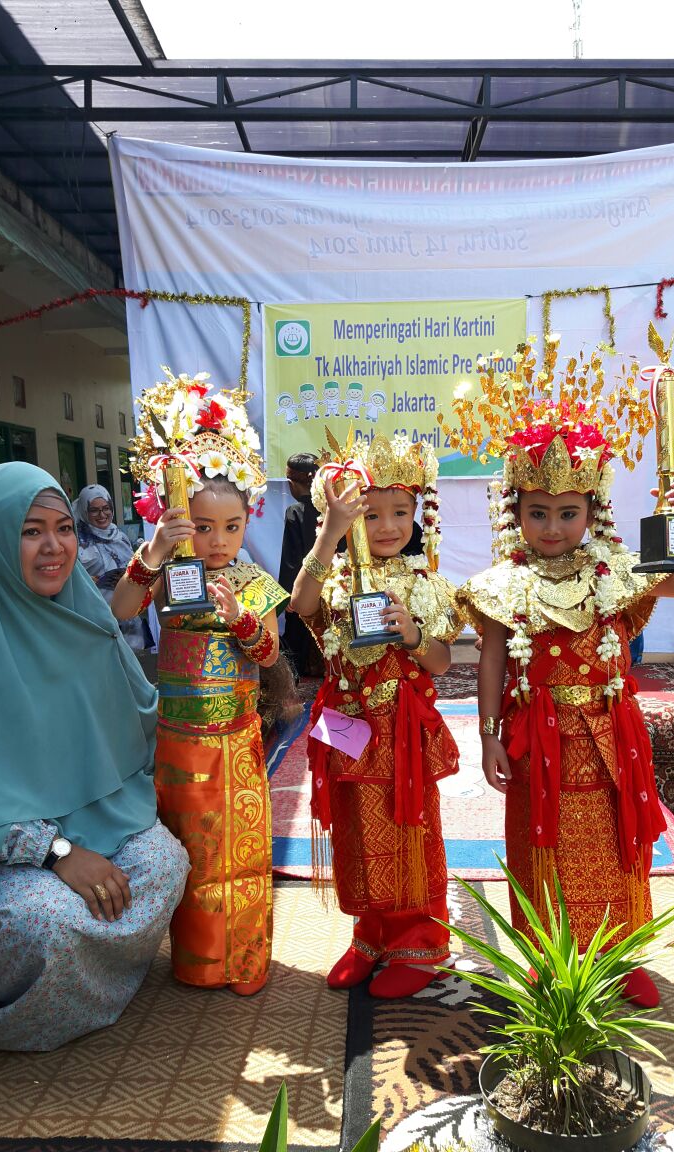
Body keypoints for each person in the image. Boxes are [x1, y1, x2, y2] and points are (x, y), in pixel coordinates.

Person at [454, 342, 674, 1010]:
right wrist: (486, 736)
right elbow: (488, 658)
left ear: (590, 512)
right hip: (535, 739)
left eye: (567, 513)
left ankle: (621, 958)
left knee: (615, 846)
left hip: (605, 734)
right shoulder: (501, 585)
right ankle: (549, 961)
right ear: (518, 511)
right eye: (538, 512)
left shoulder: (615, 571)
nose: (552, 527)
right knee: (542, 849)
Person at [0, 462, 188, 1052]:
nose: (54, 548)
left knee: (165, 863)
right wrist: (57, 852)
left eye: (63, 528)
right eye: (29, 531)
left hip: (91, 818)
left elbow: (129, 713)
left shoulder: (81, 615)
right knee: (48, 922)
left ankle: (85, 984)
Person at [113, 369, 286, 994]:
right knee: (186, 855)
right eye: (203, 527)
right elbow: (120, 611)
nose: (217, 541)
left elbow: (267, 657)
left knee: (235, 855)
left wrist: (242, 621)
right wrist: (154, 552)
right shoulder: (168, 573)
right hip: (176, 740)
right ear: (183, 521)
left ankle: (240, 960)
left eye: (231, 528)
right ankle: (194, 962)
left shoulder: (254, 583)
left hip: (235, 742)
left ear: (247, 524)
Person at [290, 435, 465, 999]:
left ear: (419, 513)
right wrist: (328, 535)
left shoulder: (428, 585)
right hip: (347, 723)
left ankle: (421, 941)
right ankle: (371, 934)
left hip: (402, 729)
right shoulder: (336, 578)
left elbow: (439, 661)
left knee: (409, 828)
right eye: (370, 514)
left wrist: (412, 634)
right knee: (359, 832)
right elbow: (302, 606)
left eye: (401, 511)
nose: (387, 525)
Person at [74, 484, 149, 651]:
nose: (102, 515)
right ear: (84, 512)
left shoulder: (120, 537)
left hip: (128, 615)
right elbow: (71, 579)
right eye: (94, 510)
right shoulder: (76, 541)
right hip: (96, 617)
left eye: (106, 508)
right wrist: (95, 581)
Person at [279, 452, 320, 678]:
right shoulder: (332, 509)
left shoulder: (295, 512)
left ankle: (291, 685)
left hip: (303, 588)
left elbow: (291, 558)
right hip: (332, 585)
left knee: (296, 639)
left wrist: (287, 595)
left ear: (291, 484)